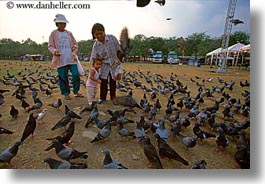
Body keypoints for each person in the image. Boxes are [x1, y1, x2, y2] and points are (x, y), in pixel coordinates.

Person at [48, 14, 84, 100]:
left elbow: (75, 44)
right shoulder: (53, 34)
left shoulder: (69, 33)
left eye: (63, 23)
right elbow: (50, 46)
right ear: (57, 24)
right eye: (60, 23)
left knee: (76, 75)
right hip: (60, 59)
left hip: (71, 59)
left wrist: (74, 51)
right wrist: (54, 51)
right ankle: (66, 93)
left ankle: (76, 91)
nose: (62, 25)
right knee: (63, 77)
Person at [90, 23, 121, 104]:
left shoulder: (112, 38)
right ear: (93, 35)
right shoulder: (96, 45)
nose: (99, 36)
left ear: (104, 32)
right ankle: (102, 98)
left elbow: (119, 50)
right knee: (103, 81)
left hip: (114, 63)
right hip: (104, 65)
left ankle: (113, 97)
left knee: (113, 81)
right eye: (96, 34)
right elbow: (93, 57)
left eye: (101, 33)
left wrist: (119, 59)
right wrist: (95, 67)